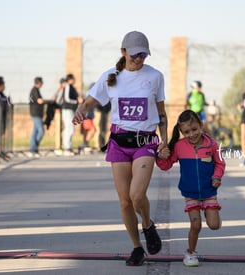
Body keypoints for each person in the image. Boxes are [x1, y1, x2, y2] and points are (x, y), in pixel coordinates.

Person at [73, 31, 168, 266]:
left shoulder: (155, 76)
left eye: (143, 55)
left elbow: (162, 112)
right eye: (135, 54)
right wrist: (81, 111)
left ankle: (147, 225)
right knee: (125, 200)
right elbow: (91, 100)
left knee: (137, 195)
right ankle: (137, 248)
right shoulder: (111, 76)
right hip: (119, 143)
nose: (139, 59)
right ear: (123, 52)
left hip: (145, 142)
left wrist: (165, 140)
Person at [156, 109, 225, 267]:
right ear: (181, 132)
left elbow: (221, 163)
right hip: (191, 193)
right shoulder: (179, 146)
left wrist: (217, 177)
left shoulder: (212, 144)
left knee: (214, 225)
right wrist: (160, 156)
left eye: (194, 129)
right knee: (196, 225)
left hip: (209, 191)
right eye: (186, 132)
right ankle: (191, 253)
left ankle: (214, 218)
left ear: (200, 125)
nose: (192, 134)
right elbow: (165, 166)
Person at [61, 74, 80, 156]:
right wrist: (76, 101)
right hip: (67, 109)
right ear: (70, 79)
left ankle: (69, 147)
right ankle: (66, 148)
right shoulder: (68, 86)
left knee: (70, 128)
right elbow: (66, 98)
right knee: (69, 128)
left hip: (71, 110)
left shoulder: (72, 87)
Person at [28, 77, 45, 157]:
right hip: (35, 114)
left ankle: (33, 149)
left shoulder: (37, 90)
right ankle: (33, 148)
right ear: (38, 83)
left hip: (38, 114)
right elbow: (39, 100)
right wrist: (47, 101)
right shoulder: (34, 90)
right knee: (41, 131)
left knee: (35, 132)